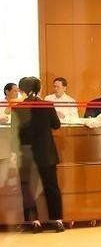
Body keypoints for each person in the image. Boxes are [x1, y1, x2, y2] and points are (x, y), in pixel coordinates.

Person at [13, 77, 65, 232]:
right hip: (46, 152)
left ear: (22, 89)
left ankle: (34, 222)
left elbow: (15, 134)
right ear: (39, 88)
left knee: (28, 188)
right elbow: (56, 125)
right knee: (52, 187)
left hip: (26, 153)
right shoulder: (47, 105)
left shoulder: (18, 108)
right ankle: (57, 220)